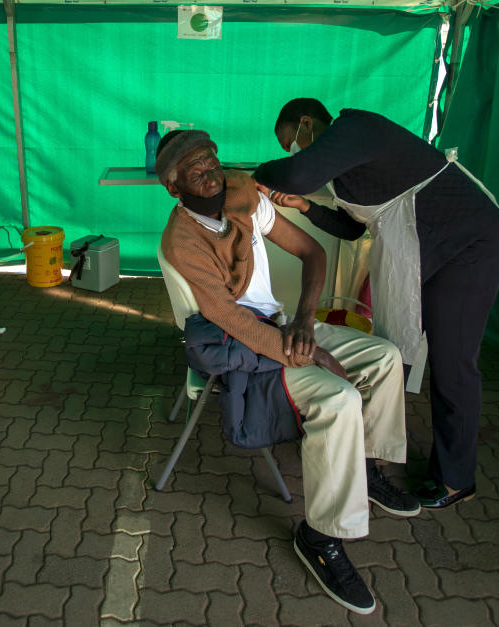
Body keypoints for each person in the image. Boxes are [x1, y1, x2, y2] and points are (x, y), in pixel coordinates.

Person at [156, 130, 419, 615]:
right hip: (243, 342)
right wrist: (309, 353)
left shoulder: (244, 194)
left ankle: (366, 467)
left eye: (211, 161)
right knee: (338, 399)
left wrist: (304, 322)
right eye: (195, 171)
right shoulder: (182, 242)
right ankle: (320, 537)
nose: (211, 173)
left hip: (281, 324)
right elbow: (230, 319)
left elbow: (312, 253)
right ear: (174, 188)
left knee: (382, 357)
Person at [253, 99, 499, 509]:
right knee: (395, 347)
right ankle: (372, 448)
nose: (294, 151)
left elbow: (298, 173)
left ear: (306, 123)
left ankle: (455, 478)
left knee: (453, 362)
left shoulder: (357, 128)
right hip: (427, 251)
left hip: (470, 245)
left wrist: (254, 173)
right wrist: (304, 206)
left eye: (292, 143)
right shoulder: (345, 167)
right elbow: (352, 229)